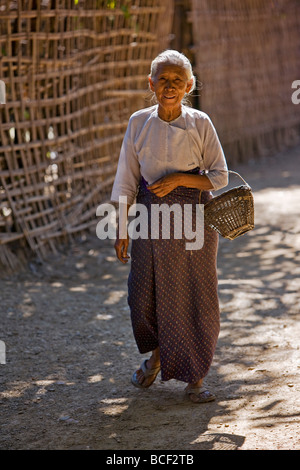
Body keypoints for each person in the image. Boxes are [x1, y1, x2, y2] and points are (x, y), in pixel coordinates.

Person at [111, 50, 228, 403]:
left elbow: (219, 176)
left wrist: (180, 178)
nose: (170, 86)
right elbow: (126, 181)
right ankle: (158, 356)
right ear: (151, 83)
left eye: (178, 80)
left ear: (189, 85)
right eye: (163, 79)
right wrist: (121, 227)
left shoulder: (200, 123)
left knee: (194, 295)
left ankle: (196, 380)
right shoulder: (138, 123)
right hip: (150, 219)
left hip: (193, 219)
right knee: (141, 294)